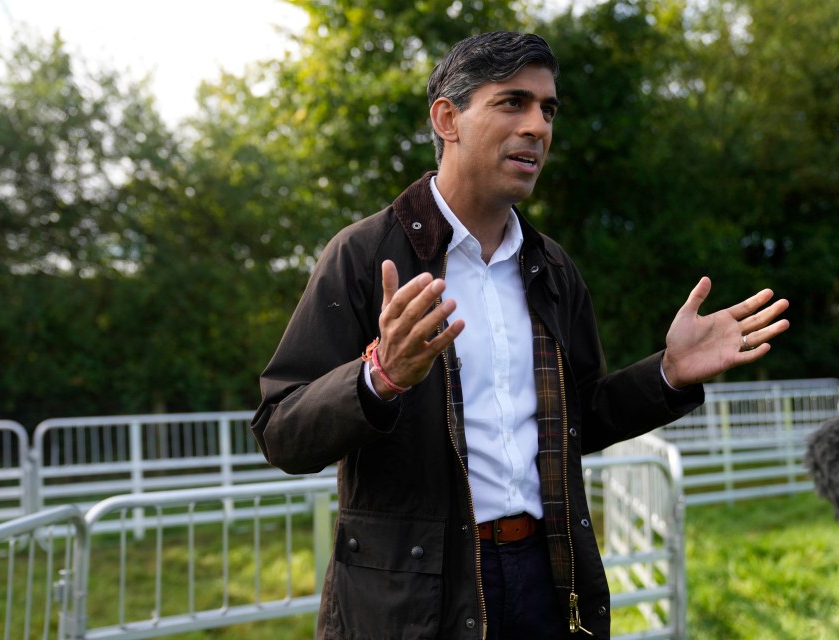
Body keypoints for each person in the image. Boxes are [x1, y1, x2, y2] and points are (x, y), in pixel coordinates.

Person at [251, 31, 790, 639]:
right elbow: (280, 430)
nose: (537, 126)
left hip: (544, 577)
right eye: (513, 102)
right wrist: (380, 377)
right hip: (411, 596)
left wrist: (667, 372)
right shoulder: (364, 255)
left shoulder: (552, 268)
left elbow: (580, 418)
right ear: (447, 119)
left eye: (548, 108)